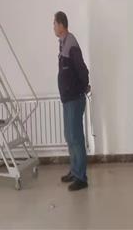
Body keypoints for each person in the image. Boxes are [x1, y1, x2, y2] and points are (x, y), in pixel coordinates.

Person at [53, 11, 90, 191]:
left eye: (54, 24)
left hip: (75, 98)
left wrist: (83, 87)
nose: (53, 27)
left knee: (76, 137)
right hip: (67, 99)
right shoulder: (63, 43)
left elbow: (82, 69)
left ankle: (81, 177)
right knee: (69, 136)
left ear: (61, 25)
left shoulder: (71, 43)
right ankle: (74, 171)